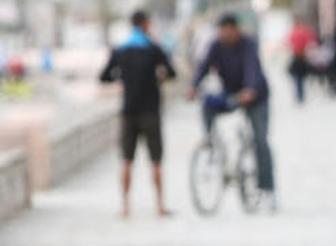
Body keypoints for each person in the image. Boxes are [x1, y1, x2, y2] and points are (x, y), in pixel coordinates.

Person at [189, 13, 277, 210]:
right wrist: (194, 85)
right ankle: (211, 143)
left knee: (260, 141)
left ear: (236, 30)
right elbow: (203, 67)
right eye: (222, 31)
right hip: (232, 94)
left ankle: (268, 189)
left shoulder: (248, 45)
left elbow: (252, 67)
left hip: (256, 96)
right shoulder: (216, 46)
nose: (225, 35)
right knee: (208, 105)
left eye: (229, 30)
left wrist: (250, 89)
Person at [99, 10, 176, 218]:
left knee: (126, 160)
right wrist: (158, 76)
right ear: (145, 24)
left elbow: (104, 76)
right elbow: (171, 72)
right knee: (156, 161)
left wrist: (123, 78)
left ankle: (125, 207)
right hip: (151, 111)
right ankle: (160, 206)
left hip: (128, 112)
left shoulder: (121, 50)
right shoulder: (154, 49)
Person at [287, 17, 318, 105]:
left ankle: (299, 95)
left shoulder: (294, 32)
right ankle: (301, 95)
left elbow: (289, 44)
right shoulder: (306, 31)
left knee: (297, 78)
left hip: (296, 56)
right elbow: (312, 42)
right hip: (303, 56)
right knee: (301, 78)